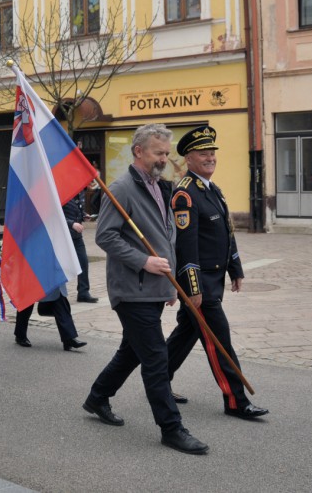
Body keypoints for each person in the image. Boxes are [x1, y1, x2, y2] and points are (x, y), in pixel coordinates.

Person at [81, 123, 209, 455]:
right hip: (131, 289)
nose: (164, 159)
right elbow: (105, 237)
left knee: (132, 352)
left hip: (153, 288)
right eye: (158, 153)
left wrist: (168, 286)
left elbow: (166, 237)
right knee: (155, 357)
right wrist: (143, 263)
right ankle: (171, 428)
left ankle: (97, 397)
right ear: (138, 151)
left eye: (166, 153)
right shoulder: (121, 188)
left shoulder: (158, 185)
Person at [166, 126, 269, 420]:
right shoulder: (185, 194)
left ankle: (159, 380)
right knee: (219, 341)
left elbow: (227, 233)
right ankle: (236, 401)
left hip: (215, 279)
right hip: (201, 285)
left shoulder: (213, 191)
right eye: (203, 153)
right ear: (188, 157)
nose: (210, 158)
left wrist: (235, 268)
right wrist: (193, 288)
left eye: (212, 153)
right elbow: (186, 248)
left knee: (186, 333)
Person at [14, 287, 87, 350]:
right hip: (31, 271)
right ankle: (20, 335)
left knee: (58, 294)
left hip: (50, 271)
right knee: (28, 296)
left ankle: (68, 338)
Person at [64, 189, 98, 303]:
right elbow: (54, 214)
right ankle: (54, 297)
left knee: (83, 262)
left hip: (77, 236)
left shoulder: (78, 192)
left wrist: (83, 215)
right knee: (60, 266)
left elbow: (77, 209)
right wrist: (72, 224)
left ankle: (83, 292)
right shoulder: (61, 192)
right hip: (63, 236)